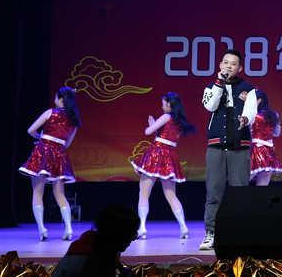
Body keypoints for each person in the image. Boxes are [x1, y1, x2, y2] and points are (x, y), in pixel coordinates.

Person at [200, 49, 258, 250]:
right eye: (226, 63)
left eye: (233, 64)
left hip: (239, 147)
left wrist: (245, 119)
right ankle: (211, 232)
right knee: (213, 192)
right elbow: (210, 106)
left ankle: (239, 233)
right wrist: (219, 83)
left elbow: (251, 110)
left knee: (240, 193)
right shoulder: (211, 87)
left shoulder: (247, 88)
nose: (229, 66)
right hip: (216, 147)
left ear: (239, 68)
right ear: (220, 65)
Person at [130, 92, 197, 239]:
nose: (162, 106)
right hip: (170, 156)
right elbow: (164, 135)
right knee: (171, 195)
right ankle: (183, 227)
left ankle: (142, 227)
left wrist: (152, 124)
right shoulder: (180, 122)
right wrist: (155, 126)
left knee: (144, 194)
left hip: (155, 154)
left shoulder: (166, 116)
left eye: (163, 104)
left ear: (169, 104)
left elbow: (148, 132)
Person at [19, 87, 82, 241]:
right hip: (59, 154)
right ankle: (68, 228)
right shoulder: (74, 120)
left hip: (43, 152)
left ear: (61, 99)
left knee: (37, 192)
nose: (54, 101)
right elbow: (67, 144)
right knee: (60, 193)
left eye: (56, 98)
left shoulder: (50, 113)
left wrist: (41, 137)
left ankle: (42, 229)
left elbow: (30, 130)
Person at [51, 204, 139, 277]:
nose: (132, 240)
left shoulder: (91, 251)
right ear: (118, 234)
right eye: (132, 235)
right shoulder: (82, 258)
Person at [249, 89, 282, 185]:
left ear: (259, 100)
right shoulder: (275, 115)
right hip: (269, 152)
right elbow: (277, 133)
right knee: (262, 185)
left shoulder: (253, 115)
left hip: (256, 150)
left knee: (242, 182)